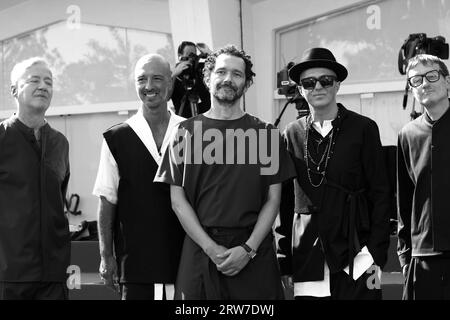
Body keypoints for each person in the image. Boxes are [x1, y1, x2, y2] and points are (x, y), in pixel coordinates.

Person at [155, 44, 296, 299]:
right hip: (201, 251)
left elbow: (273, 201)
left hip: (254, 252)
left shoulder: (266, 135)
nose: (228, 79)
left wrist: (248, 249)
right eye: (221, 72)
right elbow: (177, 201)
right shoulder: (183, 133)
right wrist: (210, 248)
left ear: (247, 83)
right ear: (208, 78)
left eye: (237, 74)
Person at [277, 47, 391, 300]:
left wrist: (374, 252)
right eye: (309, 82)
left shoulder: (364, 128)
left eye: (325, 80)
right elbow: (286, 203)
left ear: (337, 85)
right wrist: (285, 258)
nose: (317, 87)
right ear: (301, 89)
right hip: (308, 253)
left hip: (358, 252)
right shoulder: (291, 133)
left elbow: (382, 194)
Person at [93, 54, 185, 300]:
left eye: (157, 78)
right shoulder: (117, 138)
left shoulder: (192, 131)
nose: (149, 86)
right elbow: (107, 200)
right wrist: (106, 256)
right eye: (141, 79)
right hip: (136, 268)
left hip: (186, 264)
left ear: (170, 84)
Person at [0, 57, 70, 300]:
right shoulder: (2, 137)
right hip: (8, 276)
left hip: (53, 275)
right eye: (34, 80)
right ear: (14, 90)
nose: (43, 86)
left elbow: (59, 202)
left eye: (48, 82)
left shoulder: (60, 143)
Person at [397, 54, 450, 300]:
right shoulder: (407, 134)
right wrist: (405, 256)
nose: (424, 84)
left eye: (431, 76)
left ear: (447, 81)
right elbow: (404, 200)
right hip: (422, 256)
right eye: (416, 80)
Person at [170, 41, 211, 118]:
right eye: (189, 54)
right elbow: (166, 97)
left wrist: (209, 53)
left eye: (194, 55)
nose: (192, 58)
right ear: (180, 56)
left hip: (205, 121)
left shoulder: (201, 69)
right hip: (183, 123)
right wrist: (174, 75)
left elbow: (221, 66)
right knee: (182, 130)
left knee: (198, 129)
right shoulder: (174, 75)